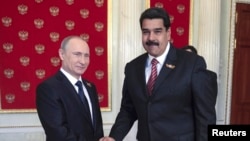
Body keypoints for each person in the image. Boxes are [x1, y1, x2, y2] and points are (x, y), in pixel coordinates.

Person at [100, 7, 217, 141]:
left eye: (157, 31)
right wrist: (114, 137)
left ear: (168, 33)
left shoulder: (192, 64)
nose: (151, 38)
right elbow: (128, 109)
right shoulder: (132, 68)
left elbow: (205, 117)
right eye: (146, 32)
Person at [36, 35, 104, 141]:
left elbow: (97, 128)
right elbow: (58, 133)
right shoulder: (48, 88)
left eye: (86, 56)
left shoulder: (90, 87)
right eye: (77, 54)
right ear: (62, 54)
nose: (83, 61)